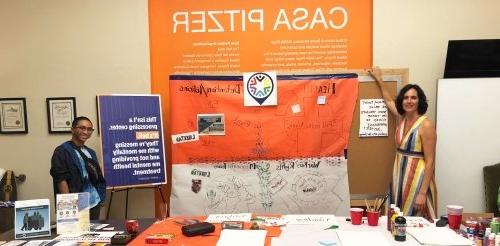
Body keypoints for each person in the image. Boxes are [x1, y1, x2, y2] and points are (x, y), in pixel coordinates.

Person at [369, 67, 437, 220]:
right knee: (397, 219)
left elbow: (431, 161)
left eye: (413, 97)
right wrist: (379, 79)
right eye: (406, 98)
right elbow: (388, 100)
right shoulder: (402, 118)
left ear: (420, 100)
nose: (409, 101)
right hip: (399, 176)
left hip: (417, 181)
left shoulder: (426, 125)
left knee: (414, 222)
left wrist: (422, 192)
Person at [50, 116, 106, 220]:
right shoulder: (62, 151)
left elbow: (97, 176)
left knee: (93, 234)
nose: (86, 132)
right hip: (76, 203)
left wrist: (101, 197)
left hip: (94, 201)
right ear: (73, 129)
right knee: (77, 234)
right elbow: (60, 179)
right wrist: (69, 206)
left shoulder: (91, 152)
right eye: (82, 128)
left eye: (89, 129)